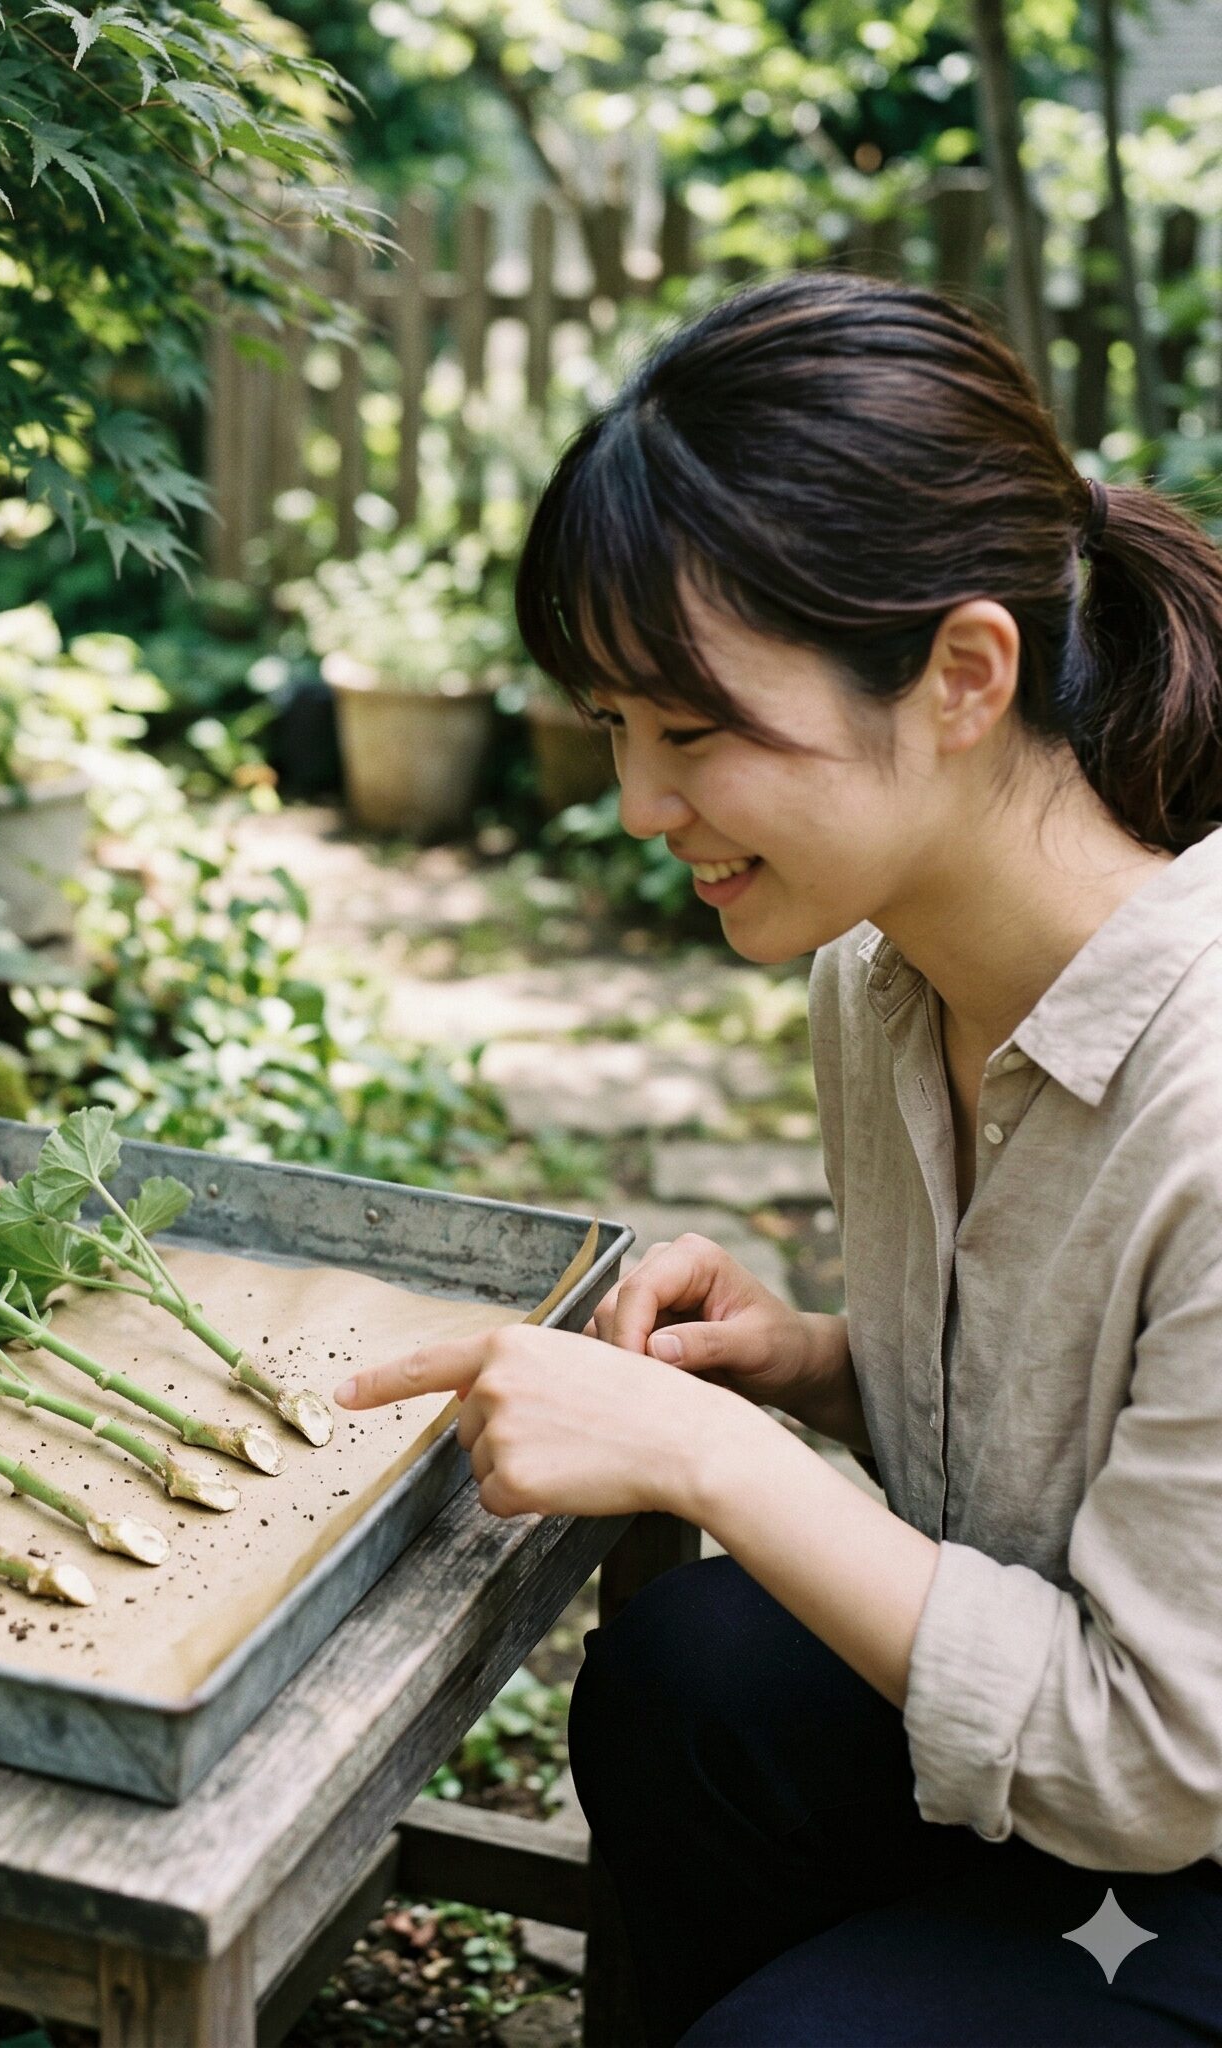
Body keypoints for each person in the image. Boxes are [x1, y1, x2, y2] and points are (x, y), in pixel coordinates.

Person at [333, 271, 1222, 2044]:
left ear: (966, 673)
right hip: (1121, 1798)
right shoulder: (883, 985)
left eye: (695, 729)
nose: (640, 808)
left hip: (1179, 1832)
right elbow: (1052, 1479)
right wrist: (814, 1365)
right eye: (612, 729)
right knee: (689, 1675)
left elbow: (1152, 1764)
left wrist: (714, 1458)